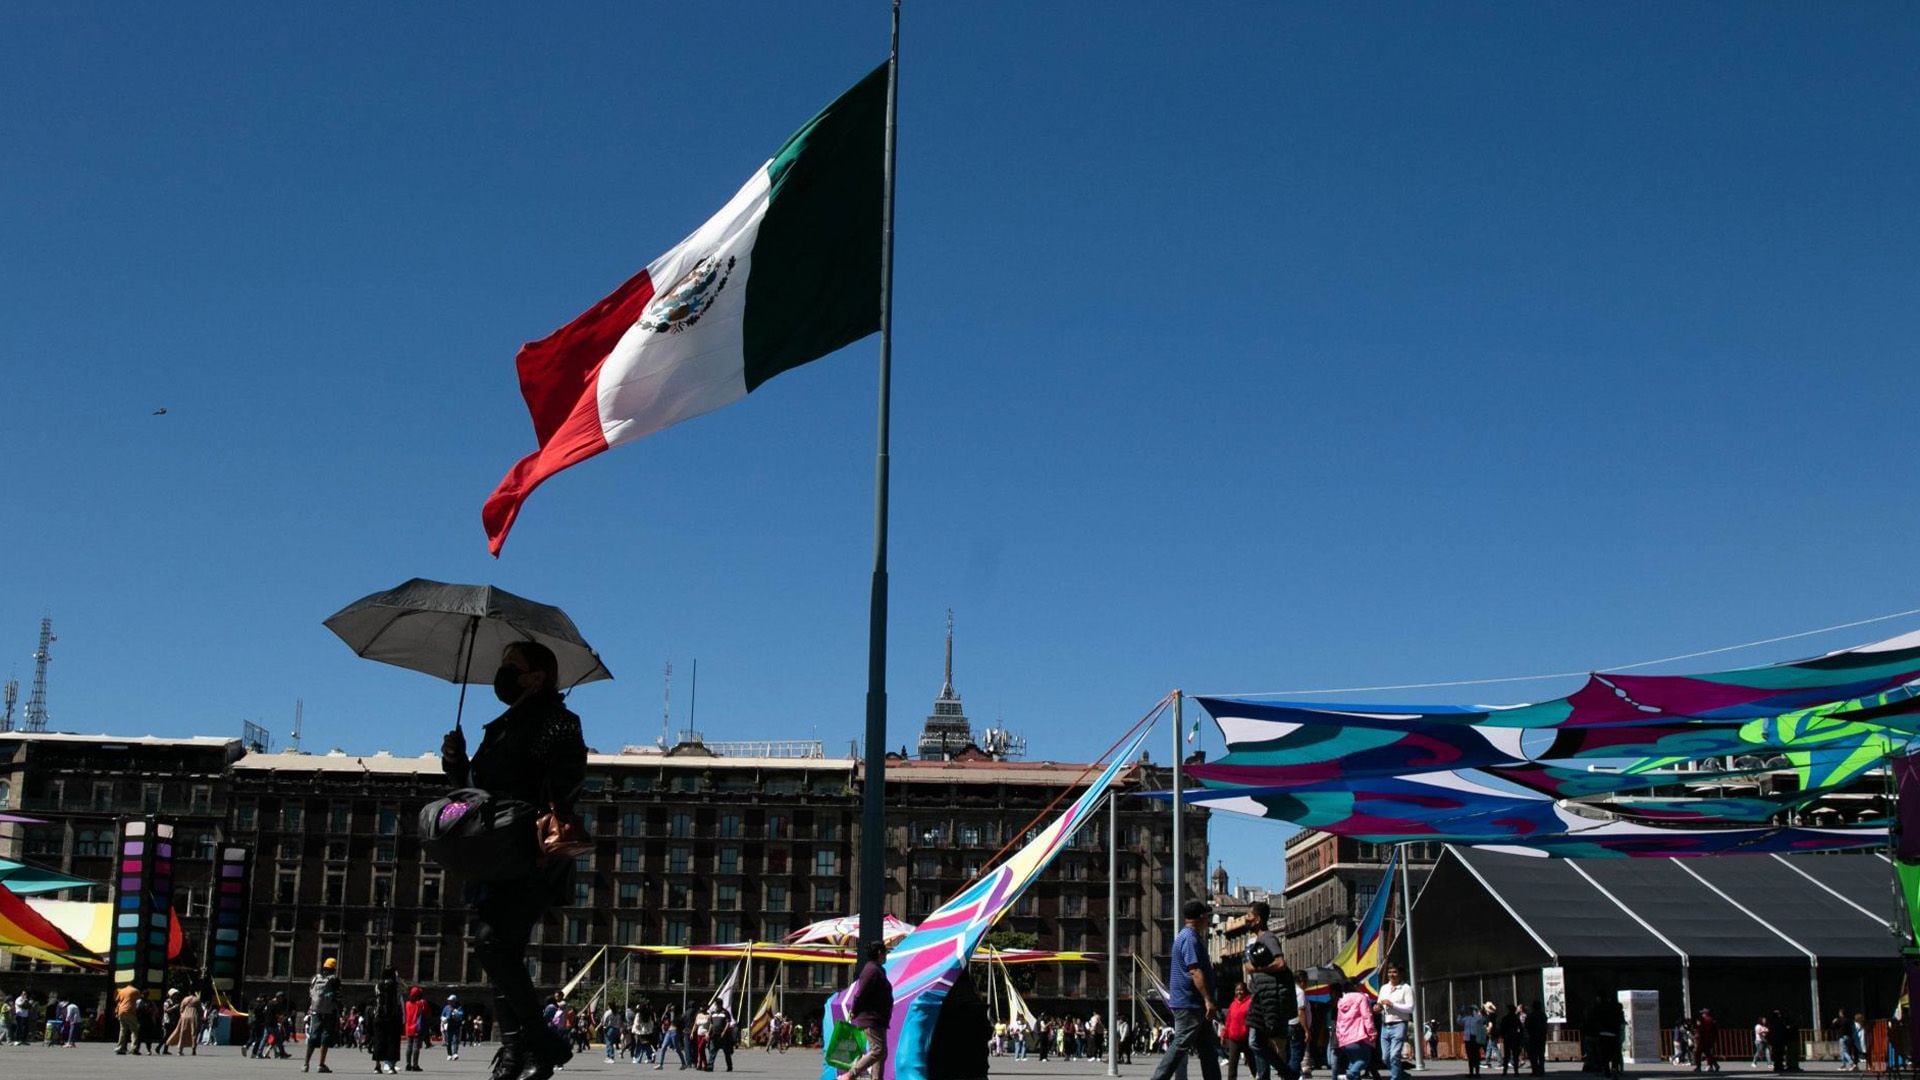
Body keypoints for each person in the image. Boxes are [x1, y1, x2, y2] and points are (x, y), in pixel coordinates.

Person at [440, 641, 588, 1080]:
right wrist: (457, 763)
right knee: (502, 951)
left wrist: (525, 797)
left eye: (512, 666)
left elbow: (567, 784)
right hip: (492, 852)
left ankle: (538, 1042)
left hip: (531, 853)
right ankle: (517, 1055)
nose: (502, 673)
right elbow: (476, 788)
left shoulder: (559, 723)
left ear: (537, 677)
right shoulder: (499, 727)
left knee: (493, 943)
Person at [1148, 899, 1223, 1080]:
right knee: (1180, 1044)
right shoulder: (1190, 938)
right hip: (1190, 1003)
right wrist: (1208, 999)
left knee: (1208, 1049)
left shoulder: (1186, 936)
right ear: (1201, 917)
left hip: (1193, 1003)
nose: (1208, 919)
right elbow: (1195, 971)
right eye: (1207, 916)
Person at [837, 941, 894, 1080]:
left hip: (878, 1018)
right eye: (885, 952)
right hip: (871, 1018)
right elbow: (860, 993)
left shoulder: (877, 969)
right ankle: (850, 1075)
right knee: (878, 1051)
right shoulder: (871, 970)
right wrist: (854, 1010)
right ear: (879, 953)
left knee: (882, 1053)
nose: (886, 955)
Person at [927, 970, 992, 1080]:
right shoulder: (973, 1003)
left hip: (945, 1066)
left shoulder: (937, 1004)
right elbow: (985, 1033)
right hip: (972, 1067)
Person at [306, 956, 344, 1073]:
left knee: (313, 1036)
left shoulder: (315, 978)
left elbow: (310, 993)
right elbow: (338, 996)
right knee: (325, 1037)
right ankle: (321, 1064)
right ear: (334, 968)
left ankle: (306, 1064)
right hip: (329, 1012)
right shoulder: (334, 980)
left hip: (316, 1011)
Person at [1376, 965, 1414, 1080]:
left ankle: (1395, 1078)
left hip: (1399, 1024)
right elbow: (1379, 1004)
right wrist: (1377, 1008)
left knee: (1394, 1056)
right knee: (1385, 1058)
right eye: (1389, 972)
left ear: (1400, 974)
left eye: (1395, 972)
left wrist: (1392, 1004)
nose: (1391, 975)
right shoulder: (1384, 988)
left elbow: (1410, 1008)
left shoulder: (1406, 988)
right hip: (1385, 1025)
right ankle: (1402, 1075)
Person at [1334, 979, 1377, 1080]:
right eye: (1359, 984)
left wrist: (1339, 1035)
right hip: (1359, 1036)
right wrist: (1372, 1032)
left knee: (1353, 1062)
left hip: (1345, 1038)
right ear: (1354, 986)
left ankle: (1351, 1074)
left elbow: (1339, 1020)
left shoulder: (1341, 1000)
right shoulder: (1361, 997)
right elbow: (1367, 1016)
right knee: (1363, 1060)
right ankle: (1348, 1075)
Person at [371, 968, 403, 1074]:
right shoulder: (396, 986)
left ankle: (377, 1066)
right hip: (392, 1017)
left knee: (379, 1041)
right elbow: (404, 990)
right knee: (392, 1041)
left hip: (379, 1017)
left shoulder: (378, 985)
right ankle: (391, 1066)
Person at [164, 988, 202, 1055]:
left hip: (184, 1017)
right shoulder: (197, 1000)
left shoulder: (185, 999)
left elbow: (181, 1009)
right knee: (194, 1033)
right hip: (193, 1016)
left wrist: (182, 1016)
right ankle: (193, 1050)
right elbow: (200, 1010)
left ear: (189, 993)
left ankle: (180, 1050)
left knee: (182, 1033)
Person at [403, 986, 429, 1073]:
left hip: (408, 1026)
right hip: (417, 1027)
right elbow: (428, 1013)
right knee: (416, 1047)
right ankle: (415, 1065)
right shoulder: (421, 1003)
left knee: (409, 1046)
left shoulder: (407, 1003)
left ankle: (407, 1064)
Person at [115, 983, 142, 1055]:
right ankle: (134, 1048)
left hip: (121, 1011)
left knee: (123, 1030)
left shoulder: (122, 991)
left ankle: (120, 1048)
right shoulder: (135, 991)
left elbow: (118, 1000)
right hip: (130, 1011)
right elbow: (139, 1001)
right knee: (134, 1030)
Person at [1462, 1005, 1488, 1077]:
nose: (1470, 1011)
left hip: (1475, 1038)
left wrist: (1479, 1012)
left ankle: (1477, 1072)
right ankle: (1471, 1072)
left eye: (1472, 1010)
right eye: (1470, 1010)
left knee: (1476, 1055)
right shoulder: (1466, 1018)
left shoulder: (1478, 1018)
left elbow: (1484, 1020)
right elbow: (1459, 1021)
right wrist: (1461, 1013)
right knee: (1470, 1056)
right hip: (1468, 1038)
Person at [1525, 1000, 1548, 1077]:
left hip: (1533, 1036)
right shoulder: (1543, 1015)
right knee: (1541, 1054)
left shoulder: (1531, 1015)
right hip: (1541, 1037)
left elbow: (1526, 1025)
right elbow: (1545, 1026)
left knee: (1533, 1055)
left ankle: (1535, 1070)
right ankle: (1541, 1070)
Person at [441, 996, 464, 1061]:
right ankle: (449, 1054)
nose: (449, 1002)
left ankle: (455, 1053)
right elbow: (442, 1015)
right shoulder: (446, 1007)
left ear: (454, 1001)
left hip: (456, 1025)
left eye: (451, 1001)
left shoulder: (459, 1007)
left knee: (455, 1040)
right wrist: (444, 1019)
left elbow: (461, 1014)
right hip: (448, 1025)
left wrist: (455, 1012)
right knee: (448, 1041)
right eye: (449, 1001)